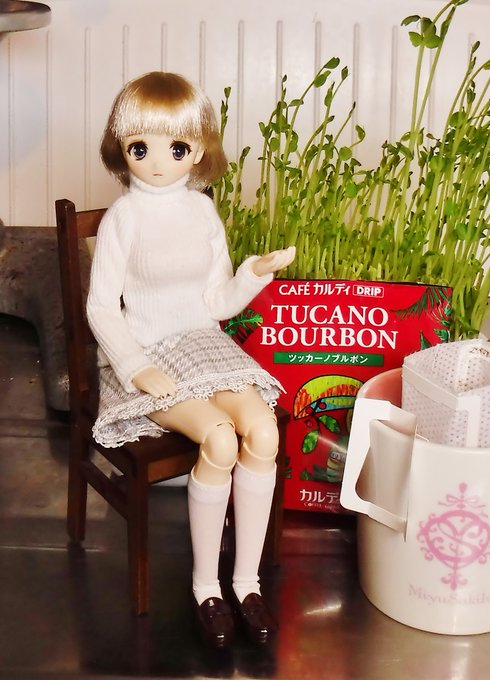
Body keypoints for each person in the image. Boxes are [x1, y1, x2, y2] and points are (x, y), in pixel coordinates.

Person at [87, 71, 295, 648]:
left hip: (203, 343)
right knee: (221, 439)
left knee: (263, 431)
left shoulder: (202, 211)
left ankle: (246, 584)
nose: (158, 162)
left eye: (176, 148)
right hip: (149, 353)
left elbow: (216, 301)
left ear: (198, 150)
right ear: (122, 148)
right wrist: (135, 366)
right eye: (141, 147)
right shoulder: (123, 218)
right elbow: (100, 306)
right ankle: (207, 588)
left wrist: (252, 275)